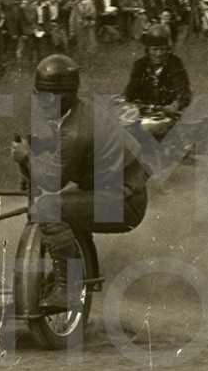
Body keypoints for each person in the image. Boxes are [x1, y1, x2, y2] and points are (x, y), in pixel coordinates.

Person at [12, 53, 148, 238]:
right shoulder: (78, 109)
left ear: (65, 97)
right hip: (114, 189)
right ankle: (81, 253)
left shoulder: (76, 131)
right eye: (38, 94)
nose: (41, 102)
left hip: (126, 201)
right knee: (60, 203)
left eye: (48, 96)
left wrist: (27, 157)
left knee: (47, 210)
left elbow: (52, 182)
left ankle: (72, 267)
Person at [121, 26, 192, 116]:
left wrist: (176, 105)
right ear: (148, 50)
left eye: (162, 49)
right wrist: (126, 100)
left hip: (168, 113)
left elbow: (183, 89)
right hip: (144, 111)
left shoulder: (175, 63)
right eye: (154, 49)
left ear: (168, 49)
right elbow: (132, 87)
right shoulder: (140, 64)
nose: (158, 54)